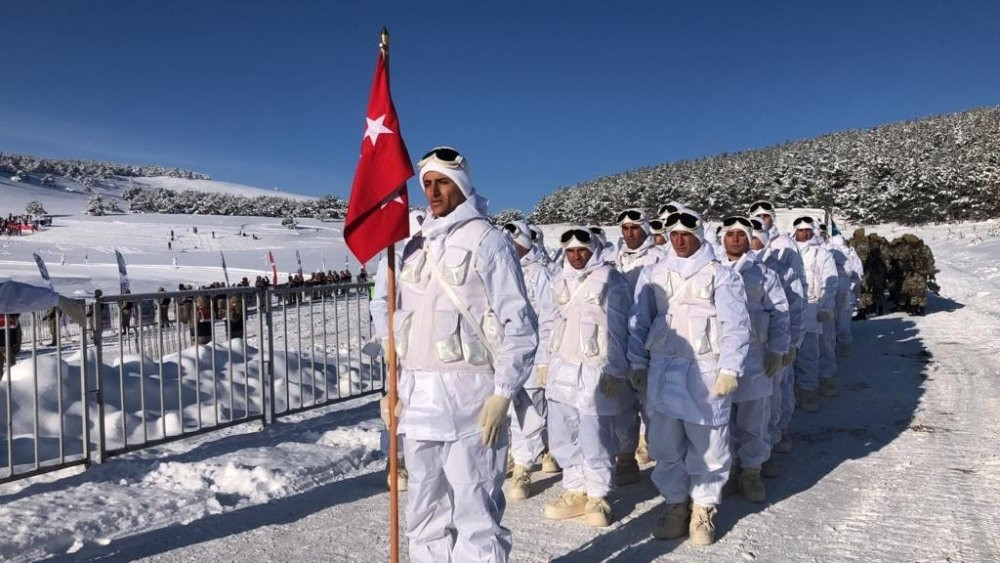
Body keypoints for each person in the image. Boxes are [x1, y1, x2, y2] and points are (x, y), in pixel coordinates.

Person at [387, 146, 537, 562]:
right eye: (428, 184)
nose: (434, 192)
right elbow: (400, 323)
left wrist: (503, 393)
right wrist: (391, 387)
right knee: (424, 507)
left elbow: (518, 324)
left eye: (443, 183)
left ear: (462, 185)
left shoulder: (488, 241)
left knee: (475, 509)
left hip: (473, 399)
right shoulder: (412, 245)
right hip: (419, 398)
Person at [629, 209, 751, 545]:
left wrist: (730, 369)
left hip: (705, 373)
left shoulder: (720, 275)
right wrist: (637, 362)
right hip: (664, 371)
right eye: (674, 234)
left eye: (687, 234)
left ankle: (704, 507)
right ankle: (675, 504)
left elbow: (736, 326)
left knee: (708, 446)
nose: (680, 241)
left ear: (700, 234)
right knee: (665, 445)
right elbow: (639, 322)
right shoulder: (653, 272)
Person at [540, 227, 629, 527]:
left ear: (594, 251)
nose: (576, 256)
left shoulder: (611, 280)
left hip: (595, 369)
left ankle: (598, 494)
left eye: (583, 251)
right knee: (563, 432)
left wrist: (616, 369)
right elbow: (548, 322)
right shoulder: (558, 280)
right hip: (562, 367)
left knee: (595, 434)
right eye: (571, 251)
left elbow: (619, 328)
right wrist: (543, 361)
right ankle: (575, 487)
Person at [719, 216, 789, 503]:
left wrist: (778, 349)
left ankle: (751, 470)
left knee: (753, 419)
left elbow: (780, 314)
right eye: (730, 234)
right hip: (720, 360)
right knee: (721, 420)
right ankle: (729, 467)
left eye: (741, 234)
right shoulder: (713, 272)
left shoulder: (764, 274)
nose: (735, 239)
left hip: (756, 359)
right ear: (722, 238)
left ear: (750, 239)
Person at [501, 220, 559, 500]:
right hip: (506, 351)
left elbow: (550, 317)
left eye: (515, 243)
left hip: (533, 352)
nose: (511, 248)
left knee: (530, 408)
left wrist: (546, 356)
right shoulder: (502, 270)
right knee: (511, 407)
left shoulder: (540, 274)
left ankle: (525, 465)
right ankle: (523, 453)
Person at [612, 207, 663, 483]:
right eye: (625, 228)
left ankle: (659, 453)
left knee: (651, 402)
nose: (630, 233)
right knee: (621, 403)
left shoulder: (659, 258)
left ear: (645, 229)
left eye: (635, 228)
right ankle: (625, 455)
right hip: (618, 338)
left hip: (648, 340)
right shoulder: (612, 258)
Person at [750, 221, 805, 460]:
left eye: (755, 241)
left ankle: (769, 446)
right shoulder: (725, 268)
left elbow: (793, 308)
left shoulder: (780, 269)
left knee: (772, 400)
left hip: (772, 346)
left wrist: (791, 343)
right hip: (741, 350)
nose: (750, 245)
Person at [792, 216, 838, 410]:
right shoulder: (787, 250)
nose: (804, 234)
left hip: (812, 307)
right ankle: (793, 389)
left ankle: (809, 391)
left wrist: (826, 306)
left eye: (807, 230)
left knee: (810, 352)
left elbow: (831, 279)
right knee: (790, 352)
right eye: (801, 230)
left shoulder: (821, 253)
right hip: (791, 307)